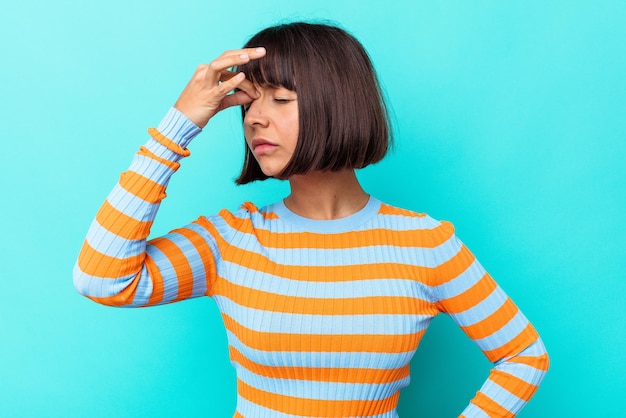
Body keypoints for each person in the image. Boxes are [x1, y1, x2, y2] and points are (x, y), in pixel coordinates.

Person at [74, 22, 549, 418]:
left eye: (279, 99)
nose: (255, 119)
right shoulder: (230, 241)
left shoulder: (424, 243)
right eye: (248, 103)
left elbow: (523, 355)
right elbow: (101, 279)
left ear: (338, 103)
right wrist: (180, 124)